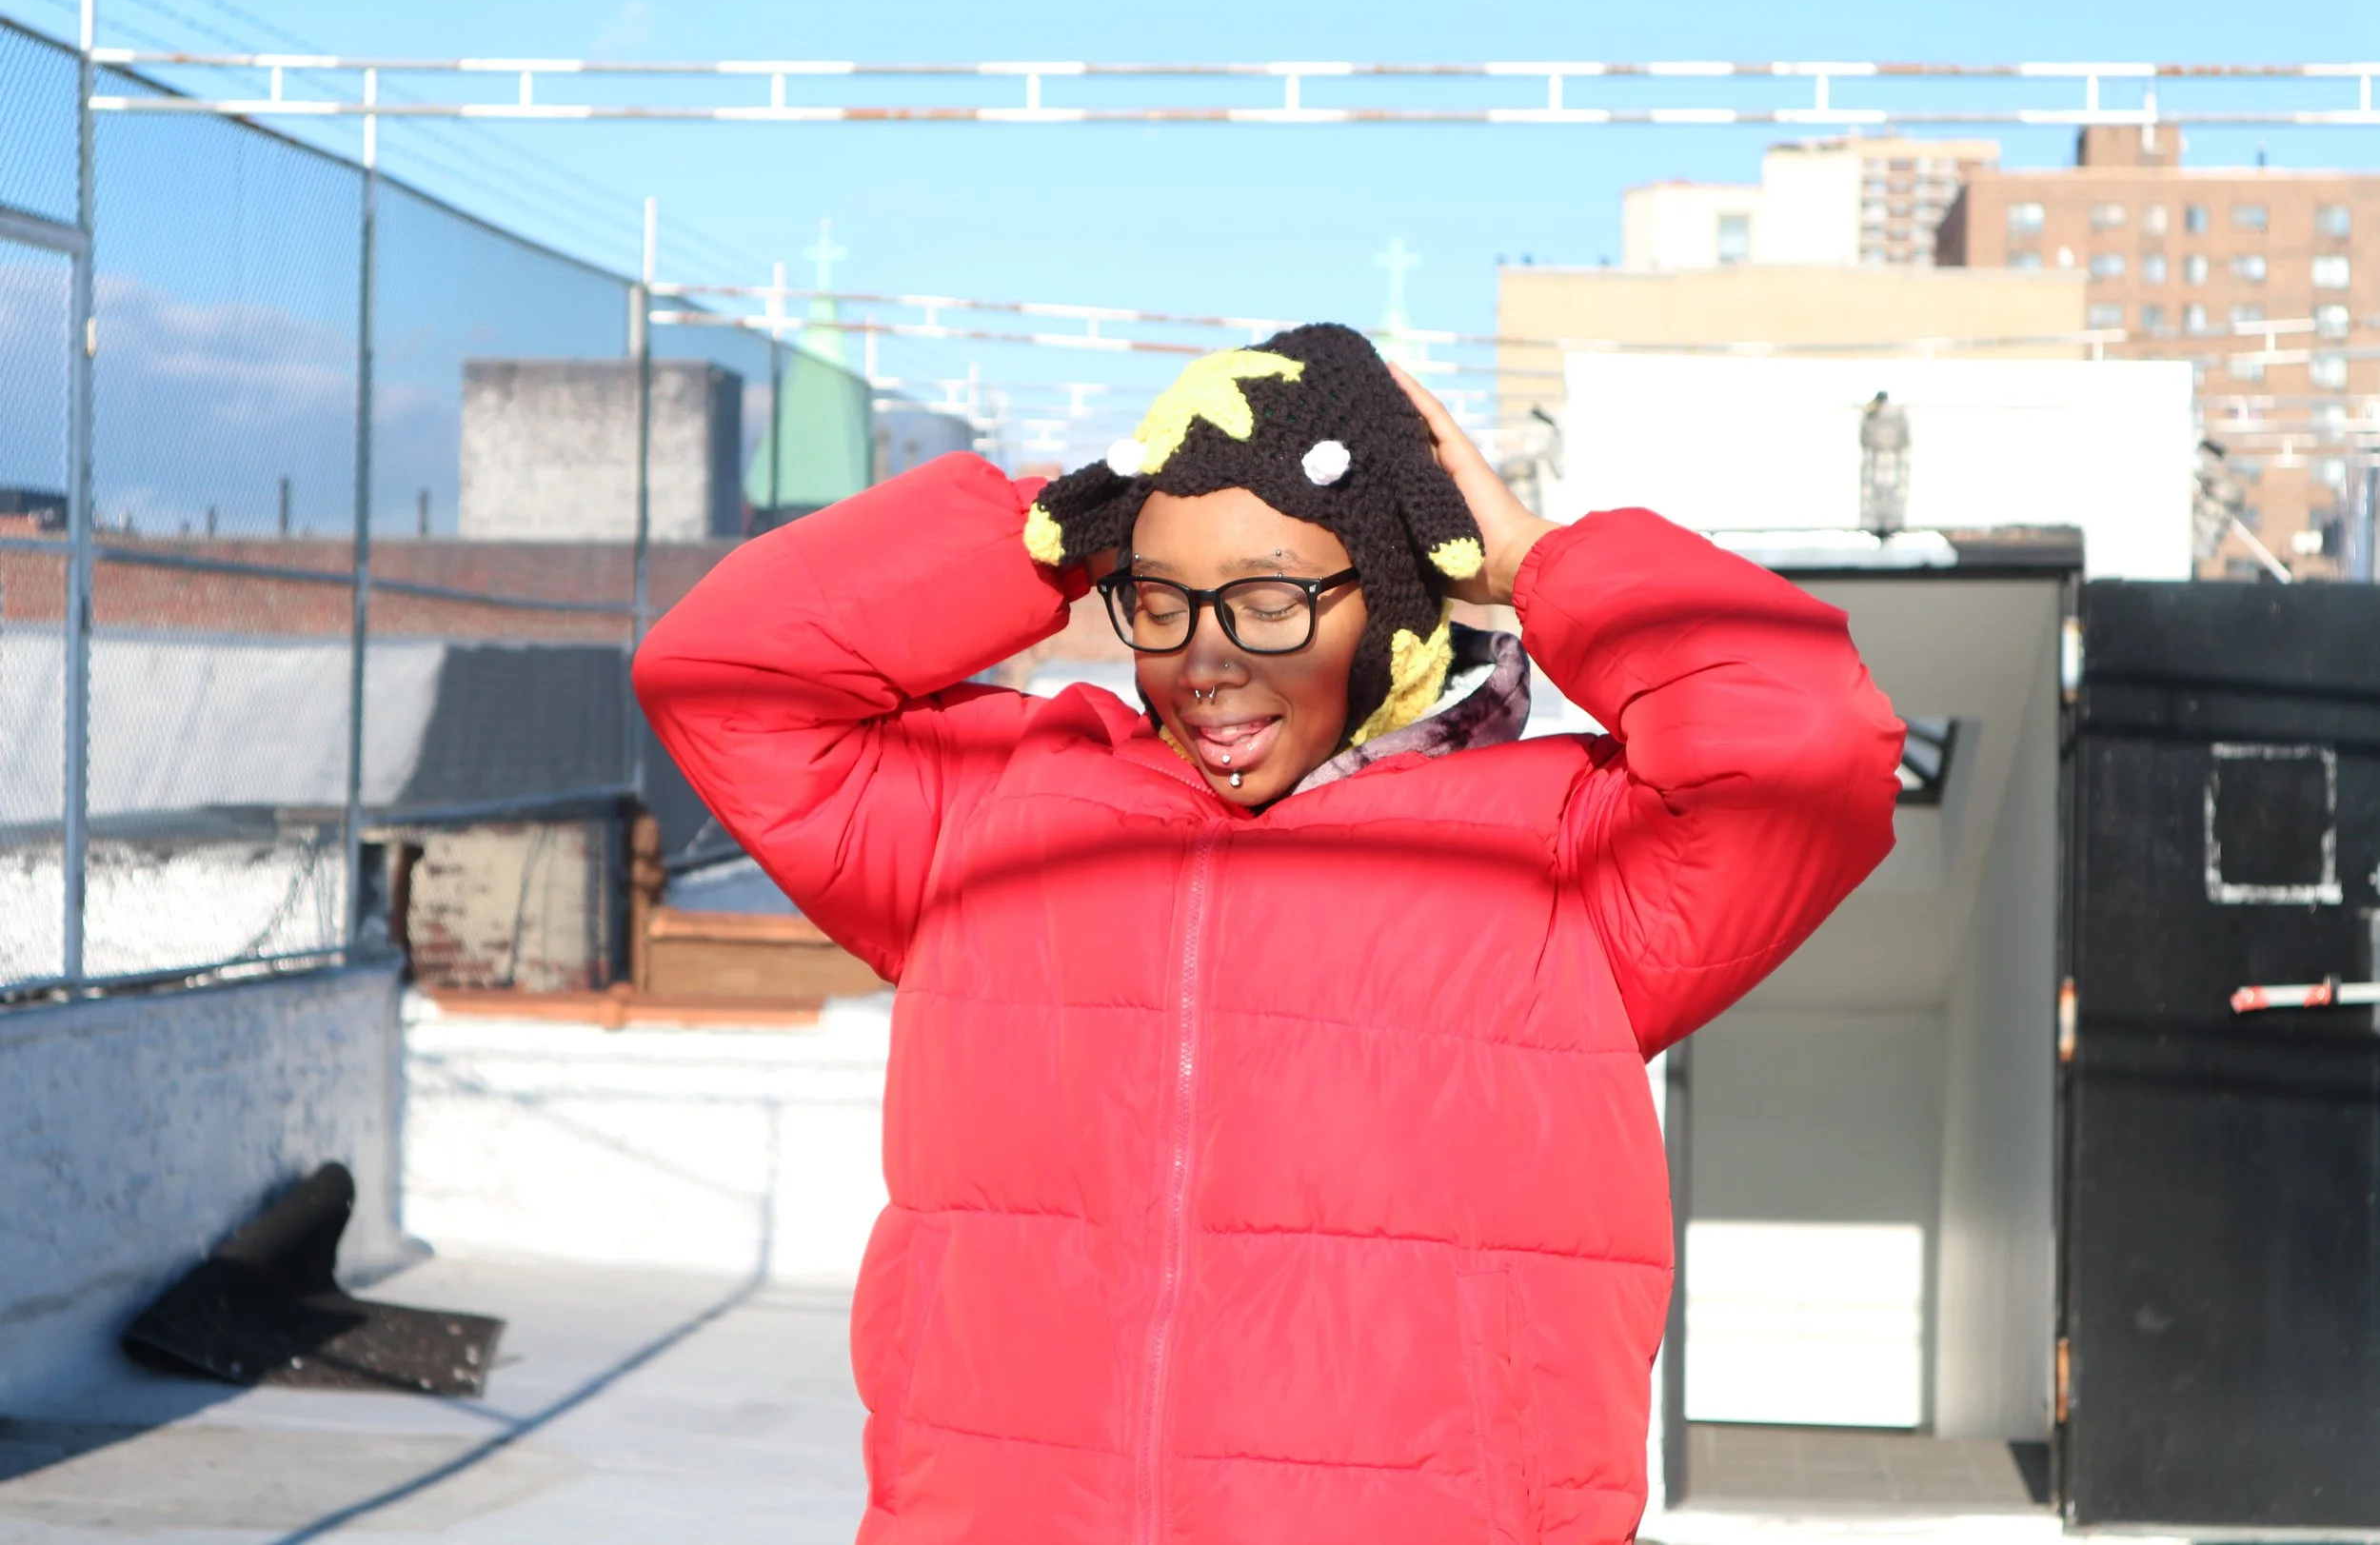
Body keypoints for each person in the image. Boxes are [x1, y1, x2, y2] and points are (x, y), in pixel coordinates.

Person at [635, 324, 1903, 1545]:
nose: (1206, 661)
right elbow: (725, 672)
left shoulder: (1571, 855)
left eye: (1271, 601)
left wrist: (1535, 559)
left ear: (1402, 594)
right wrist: (1055, 529)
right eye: (1162, 598)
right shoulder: (1008, 816)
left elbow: (1806, 738)